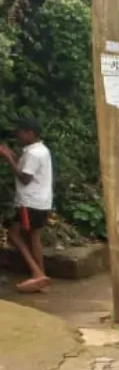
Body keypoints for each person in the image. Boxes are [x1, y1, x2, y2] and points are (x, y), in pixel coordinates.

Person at [1, 118, 53, 292]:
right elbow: (26, 167)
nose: (18, 137)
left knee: (14, 235)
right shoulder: (40, 150)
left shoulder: (33, 154)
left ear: (30, 133)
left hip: (29, 202)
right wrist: (13, 155)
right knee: (34, 237)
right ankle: (41, 277)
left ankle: (37, 272)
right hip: (41, 202)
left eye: (20, 133)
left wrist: (9, 158)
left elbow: (25, 178)